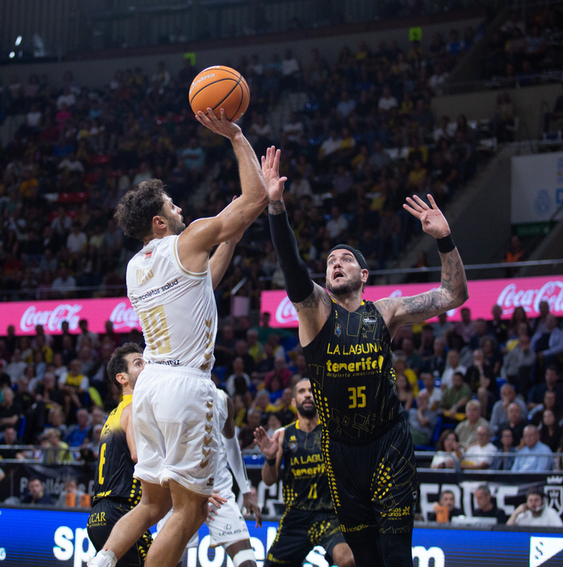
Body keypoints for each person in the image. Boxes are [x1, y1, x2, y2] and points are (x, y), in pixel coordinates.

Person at [268, 148, 468, 567]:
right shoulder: (314, 310)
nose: (336, 264)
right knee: (365, 558)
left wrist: (444, 240)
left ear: (364, 275)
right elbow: (291, 267)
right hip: (339, 450)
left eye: (345, 260)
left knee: (395, 554)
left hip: (388, 442)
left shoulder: (387, 310)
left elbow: (454, 295)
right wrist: (276, 207)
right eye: (330, 261)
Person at [88, 111, 270, 567]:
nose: (181, 209)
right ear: (159, 222)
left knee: (152, 505)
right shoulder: (185, 241)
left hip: (149, 387)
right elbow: (256, 198)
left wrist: (230, 235)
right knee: (188, 512)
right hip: (187, 387)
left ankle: (101, 562)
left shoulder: (135, 268)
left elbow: (202, 281)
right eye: (172, 206)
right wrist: (236, 135)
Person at [254, 379, 354, 567]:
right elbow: (269, 480)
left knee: (348, 560)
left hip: (330, 516)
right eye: (302, 391)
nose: (308, 394)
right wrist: (269, 458)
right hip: (296, 518)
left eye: (312, 391)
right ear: (293, 402)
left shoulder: (333, 432)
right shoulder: (284, 435)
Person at [163, 386, 263, 567]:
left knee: (248, 563)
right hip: (180, 493)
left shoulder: (223, 399)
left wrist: (245, 490)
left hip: (219, 490)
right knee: (172, 562)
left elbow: (232, 446)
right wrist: (197, 493)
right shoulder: (170, 394)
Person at [88, 343, 152, 566]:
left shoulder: (113, 415)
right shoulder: (134, 407)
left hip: (98, 515)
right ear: (122, 378)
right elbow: (138, 456)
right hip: (120, 513)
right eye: (138, 363)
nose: (146, 366)